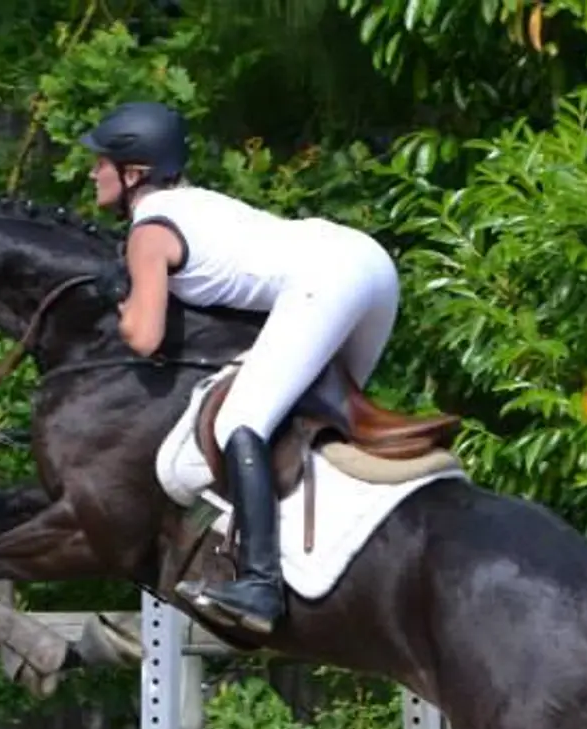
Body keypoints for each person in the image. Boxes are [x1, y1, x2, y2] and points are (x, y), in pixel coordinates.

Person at [79, 100, 404, 637]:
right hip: (370, 266)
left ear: (134, 173)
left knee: (239, 422)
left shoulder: (149, 230)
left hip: (331, 279)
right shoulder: (197, 203)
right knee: (314, 420)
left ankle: (259, 582)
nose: (93, 173)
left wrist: (120, 298)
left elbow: (144, 336)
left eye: (101, 163)